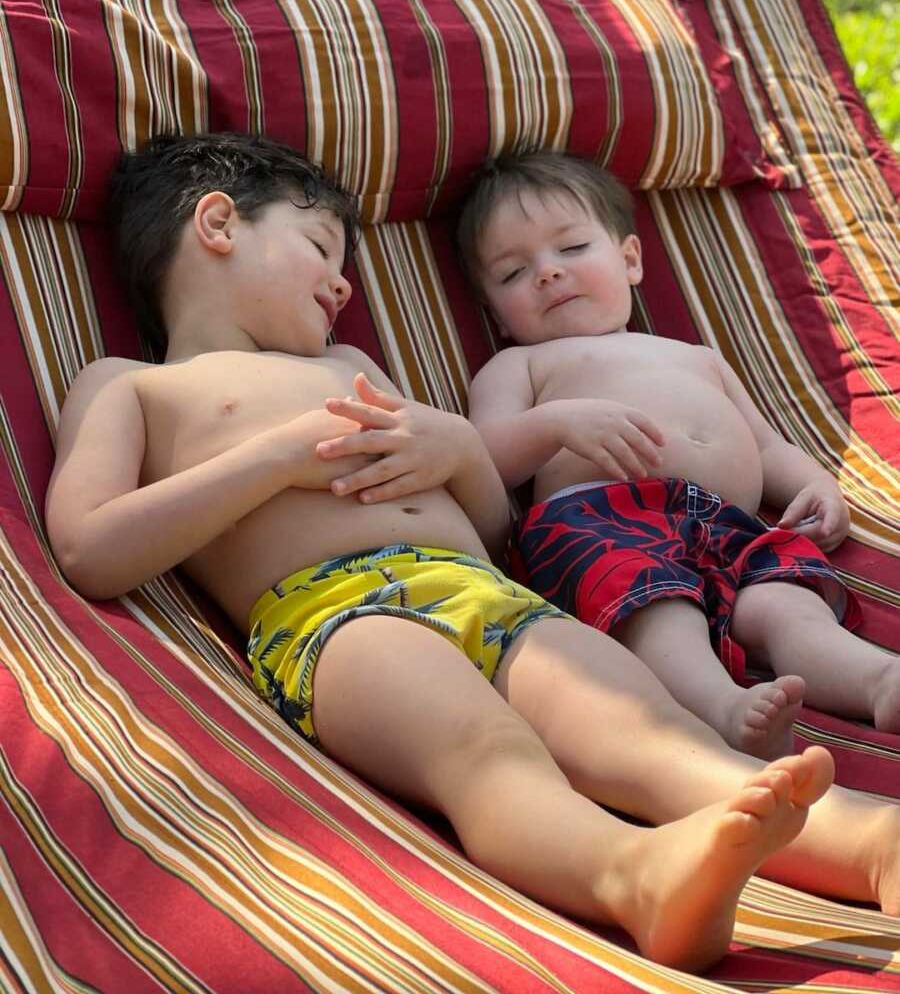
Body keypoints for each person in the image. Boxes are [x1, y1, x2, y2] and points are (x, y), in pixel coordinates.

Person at [44, 133, 899, 975]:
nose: (343, 283)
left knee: (655, 734)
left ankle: (870, 844)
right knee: (485, 753)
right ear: (219, 225)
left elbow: (497, 536)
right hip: (340, 618)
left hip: (490, 590)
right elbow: (89, 548)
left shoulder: (350, 360)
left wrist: (456, 449)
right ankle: (631, 876)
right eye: (319, 248)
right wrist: (273, 459)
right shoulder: (129, 385)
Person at [460, 150, 900, 763]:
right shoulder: (520, 364)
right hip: (602, 523)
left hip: (729, 524)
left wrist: (818, 483)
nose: (547, 274)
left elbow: (766, 444)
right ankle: (723, 710)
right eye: (512, 273)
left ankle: (879, 682)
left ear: (631, 259)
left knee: (789, 608)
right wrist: (556, 423)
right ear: (496, 316)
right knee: (658, 611)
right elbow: (480, 459)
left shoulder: (696, 355)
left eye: (571, 248)